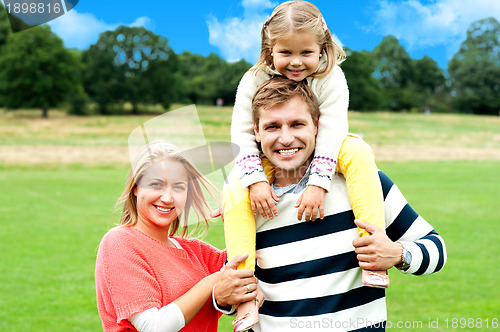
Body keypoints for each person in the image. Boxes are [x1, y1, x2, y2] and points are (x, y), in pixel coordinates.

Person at [223, 1, 388, 330]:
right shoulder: (252, 80)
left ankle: (372, 251)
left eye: (306, 53)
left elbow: (330, 134)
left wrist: (317, 184)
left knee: (356, 150)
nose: (296, 63)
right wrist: (255, 181)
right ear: (270, 50)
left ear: (322, 48)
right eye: (285, 53)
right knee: (234, 188)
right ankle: (244, 294)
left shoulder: (332, 79)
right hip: (267, 158)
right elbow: (241, 134)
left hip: (325, 150)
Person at [245, 77, 447, 331]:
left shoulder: (363, 185)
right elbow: (235, 286)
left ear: (317, 125)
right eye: (273, 126)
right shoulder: (249, 200)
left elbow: (437, 249)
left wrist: (398, 254)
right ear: (256, 130)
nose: (286, 139)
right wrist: (224, 299)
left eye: (297, 124)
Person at [95, 140, 259, 332]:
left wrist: (236, 205)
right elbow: (153, 327)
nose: (167, 197)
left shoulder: (198, 253)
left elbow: (254, 260)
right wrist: (212, 282)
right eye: (156, 185)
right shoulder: (120, 242)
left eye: (178, 187)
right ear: (136, 187)